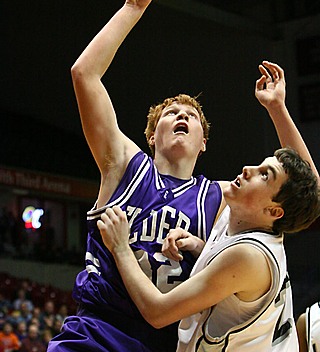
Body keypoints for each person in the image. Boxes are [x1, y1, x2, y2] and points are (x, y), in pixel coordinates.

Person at [47, 0, 226, 352]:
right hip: (98, 331)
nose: (181, 116)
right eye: (171, 114)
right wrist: (132, 9)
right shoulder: (123, 163)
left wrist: (277, 108)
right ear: (151, 136)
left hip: (167, 341)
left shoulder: (220, 197)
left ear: (203, 142)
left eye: (191, 116)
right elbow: (84, 75)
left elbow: (305, 192)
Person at [97, 62, 320, 352]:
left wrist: (120, 247)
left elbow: (158, 312)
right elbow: (307, 193)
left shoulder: (249, 252)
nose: (248, 168)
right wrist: (201, 248)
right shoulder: (241, 212)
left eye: (265, 174)